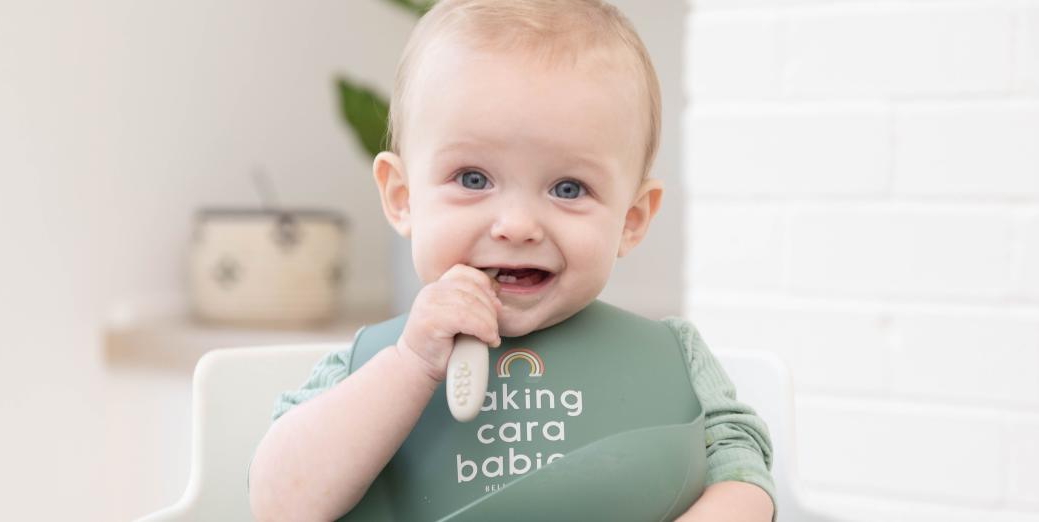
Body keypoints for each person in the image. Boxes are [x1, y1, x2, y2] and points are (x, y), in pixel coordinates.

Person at [249, 1, 774, 520]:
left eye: (568, 188)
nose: (517, 225)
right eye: (473, 179)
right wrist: (410, 364)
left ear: (631, 219)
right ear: (403, 197)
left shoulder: (673, 359)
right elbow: (279, 503)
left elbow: (743, 474)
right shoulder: (367, 366)